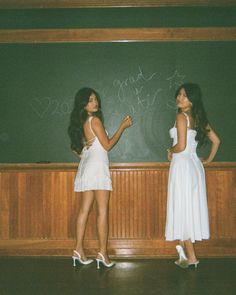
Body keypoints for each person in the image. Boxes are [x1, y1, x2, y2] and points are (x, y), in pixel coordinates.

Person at [68, 87, 132, 269]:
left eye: (95, 99)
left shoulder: (81, 122)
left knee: (84, 210)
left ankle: (78, 250)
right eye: (90, 100)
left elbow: (76, 149)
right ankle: (103, 253)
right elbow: (108, 144)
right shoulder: (94, 120)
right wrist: (123, 126)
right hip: (97, 167)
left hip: (87, 166)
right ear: (83, 104)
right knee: (102, 211)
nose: (95, 103)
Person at [165, 83, 220, 269]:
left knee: (182, 208)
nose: (180, 98)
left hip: (182, 165)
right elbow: (216, 141)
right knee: (187, 206)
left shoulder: (181, 117)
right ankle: (183, 249)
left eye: (185, 96)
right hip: (194, 166)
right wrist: (207, 161)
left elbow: (180, 146)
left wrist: (169, 150)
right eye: (179, 94)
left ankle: (192, 257)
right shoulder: (198, 118)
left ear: (192, 100)